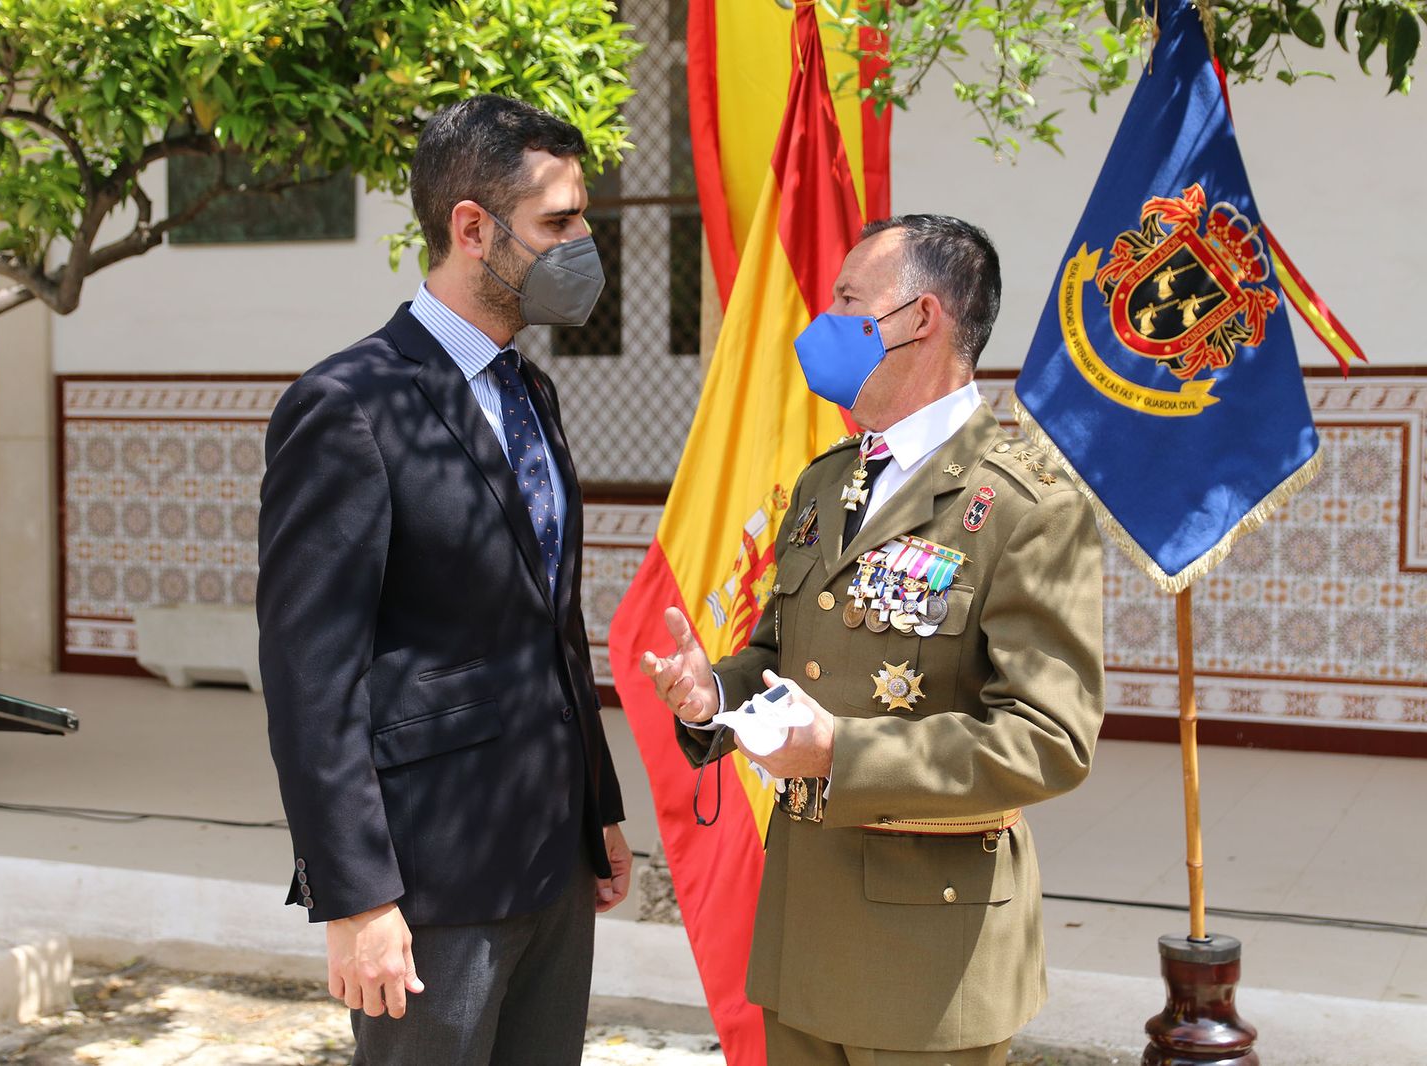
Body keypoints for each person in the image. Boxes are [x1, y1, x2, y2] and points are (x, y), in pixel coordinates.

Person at [640, 215, 1105, 1065]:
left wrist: (839, 755)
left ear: (921, 318)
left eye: (849, 301)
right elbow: (782, 657)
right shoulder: (829, 482)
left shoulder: (1027, 506)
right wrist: (716, 695)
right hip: (802, 934)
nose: (826, 323)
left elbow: (1049, 740)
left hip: (928, 959)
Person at [258, 94, 631, 1066]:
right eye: (558, 222)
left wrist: (597, 806)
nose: (582, 244)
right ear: (472, 228)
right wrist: (356, 897)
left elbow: (551, 624)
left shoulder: (531, 389)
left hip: (551, 857)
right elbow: (310, 678)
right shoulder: (347, 404)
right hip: (433, 881)